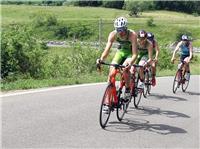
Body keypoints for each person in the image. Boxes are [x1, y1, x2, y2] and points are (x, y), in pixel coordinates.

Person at [96, 17, 138, 101]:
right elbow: (107, 49)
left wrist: (130, 63)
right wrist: (101, 59)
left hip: (130, 54)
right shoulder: (113, 34)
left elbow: (135, 54)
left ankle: (127, 89)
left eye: (122, 30)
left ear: (126, 28)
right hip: (120, 52)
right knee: (111, 73)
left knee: (125, 69)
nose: (120, 32)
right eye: (118, 30)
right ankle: (108, 102)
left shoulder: (132, 35)